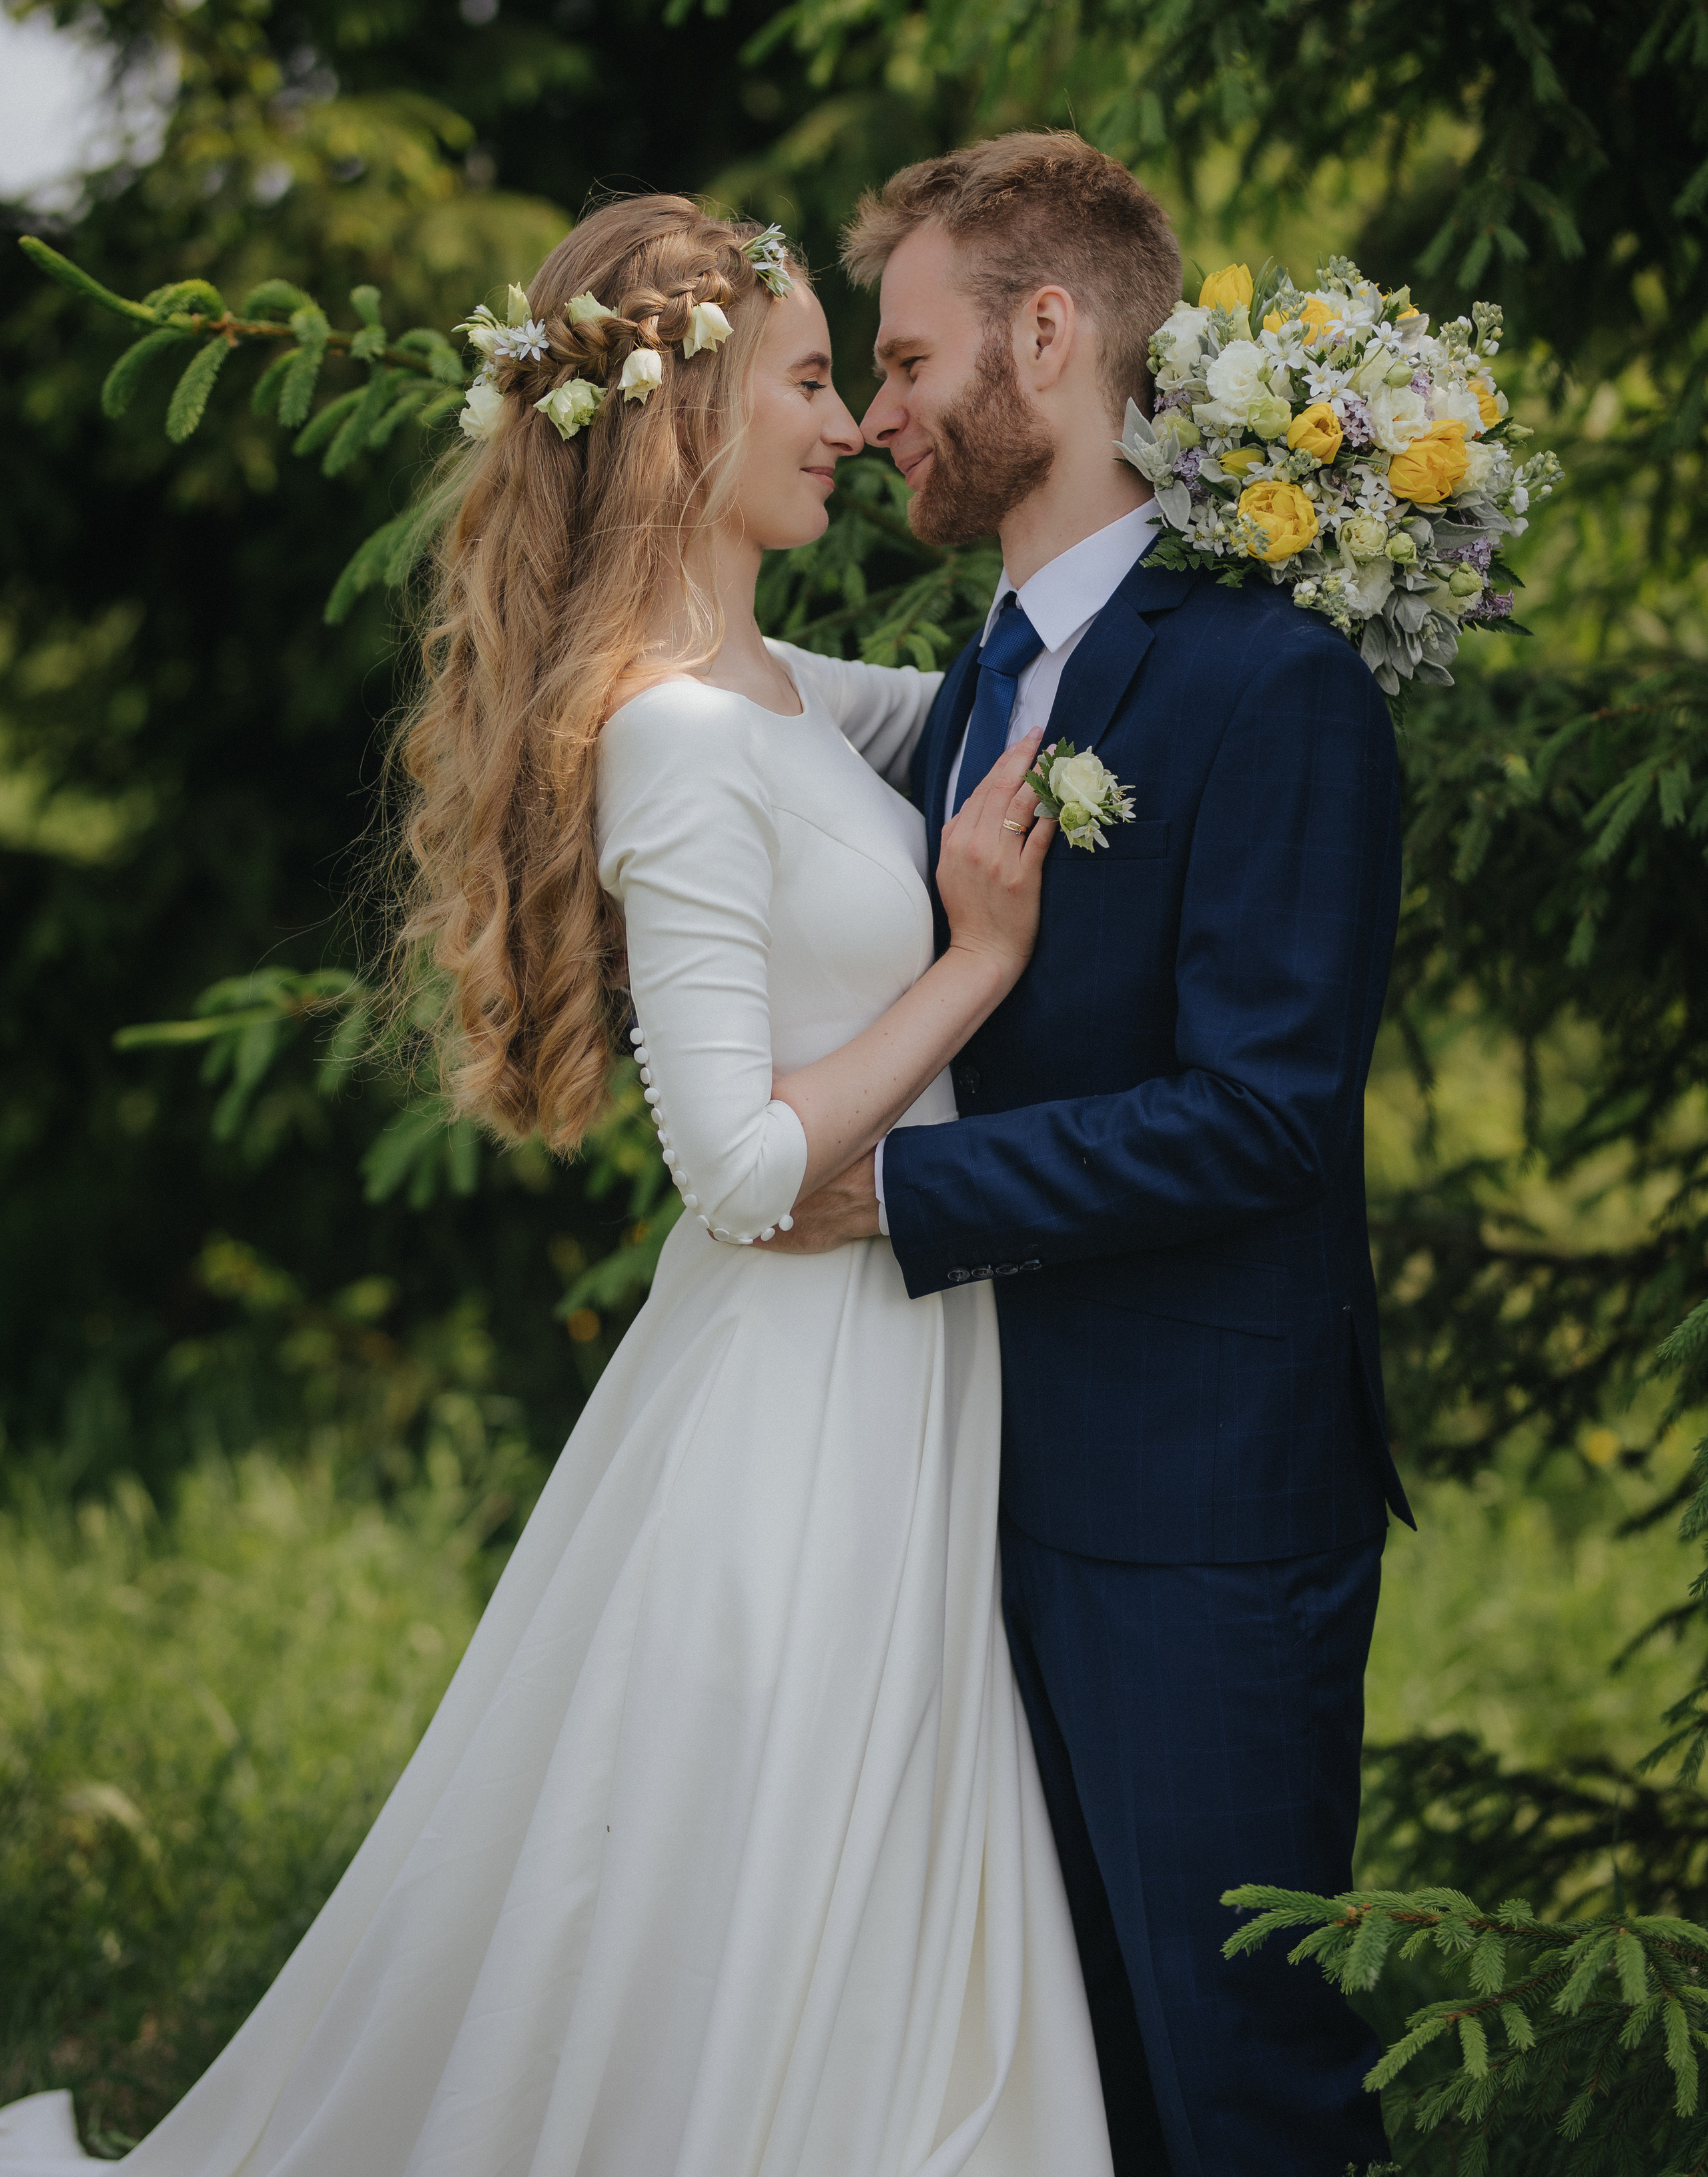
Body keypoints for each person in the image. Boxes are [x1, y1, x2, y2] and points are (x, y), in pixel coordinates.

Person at [0, 197, 1114, 2175]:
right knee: (772, 1873)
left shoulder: (787, 695)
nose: (849, 421)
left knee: (867, 1864)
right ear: (681, 427)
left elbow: (1004, 690)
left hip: (903, 1372)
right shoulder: (675, 742)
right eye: (801, 380)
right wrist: (977, 967)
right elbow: (738, 1166)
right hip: (798, 1402)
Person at [769, 131, 1414, 2177]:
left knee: (1238, 2086)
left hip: (1198, 1527)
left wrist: (904, 1198)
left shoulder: (1271, 683)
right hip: (982, 1487)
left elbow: (1263, 1112)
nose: (877, 418)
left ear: (1046, 338)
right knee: (1073, 2087)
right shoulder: (983, 678)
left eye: (905, 357)